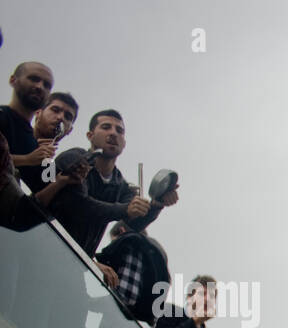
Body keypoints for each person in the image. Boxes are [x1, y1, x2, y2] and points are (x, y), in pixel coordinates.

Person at [49, 109, 177, 257]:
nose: (113, 133)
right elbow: (82, 206)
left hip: (77, 261)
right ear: (90, 136)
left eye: (119, 131)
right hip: (45, 244)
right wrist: (125, 209)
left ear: (124, 143)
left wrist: (157, 204)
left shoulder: (120, 184)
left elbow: (133, 223)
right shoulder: (74, 159)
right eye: (105, 127)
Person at [0, 61, 53, 189]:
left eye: (47, 85)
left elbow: (48, 183)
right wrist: (26, 159)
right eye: (33, 79)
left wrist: (68, 175)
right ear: (13, 80)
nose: (40, 87)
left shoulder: (34, 143)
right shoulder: (2, 116)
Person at [15, 90, 76, 193]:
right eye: (55, 110)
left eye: (68, 116)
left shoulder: (48, 163)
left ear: (69, 130)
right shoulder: (15, 131)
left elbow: (40, 201)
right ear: (38, 113)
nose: (61, 117)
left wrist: (61, 181)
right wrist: (27, 159)